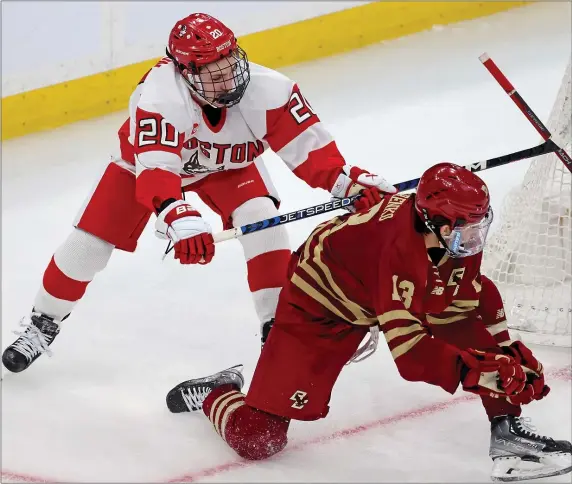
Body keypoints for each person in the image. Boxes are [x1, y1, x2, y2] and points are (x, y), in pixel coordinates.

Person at [2, 13, 396, 373]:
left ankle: (276, 332)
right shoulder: (159, 96)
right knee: (88, 246)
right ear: (184, 72)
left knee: (263, 219)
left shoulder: (270, 90)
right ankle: (43, 323)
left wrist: (347, 181)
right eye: (213, 71)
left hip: (228, 168)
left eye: (230, 63)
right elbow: (157, 172)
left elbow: (311, 151)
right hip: (140, 169)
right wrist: (177, 215)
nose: (228, 79)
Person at [165, 163, 571, 482]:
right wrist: (478, 374)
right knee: (258, 438)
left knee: (475, 340)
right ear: (435, 223)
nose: (475, 239)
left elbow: (473, 301)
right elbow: (411, 356)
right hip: (320, 305)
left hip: (373, 289)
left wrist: (508, 353)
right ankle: (216, 391)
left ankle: (508, 434)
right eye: (466, 228)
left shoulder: (454, 235)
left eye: (480, 225)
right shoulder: (396, 252)